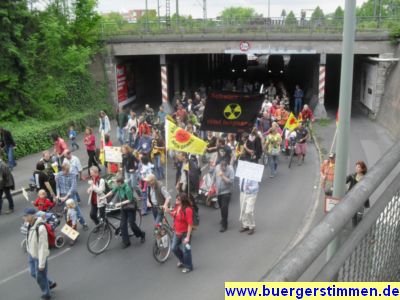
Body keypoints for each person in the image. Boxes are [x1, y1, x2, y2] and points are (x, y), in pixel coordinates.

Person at [23, 207, 57, 300]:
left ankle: (46, 293)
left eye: (26, 216)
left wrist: (41, 263)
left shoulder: (41, 228)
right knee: (33, 273)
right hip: (31, 253)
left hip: (39, 256)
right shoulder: (28, 224)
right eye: (24, 216)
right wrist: (28, 249)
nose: (24, 218)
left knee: (39, 276)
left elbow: (43, 246)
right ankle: (50, 283)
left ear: (33, 215)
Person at [103, 176, 145, 248]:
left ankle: (142, 234)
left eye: (115, 183)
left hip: (130, 208)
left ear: (119, 183)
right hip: (124, 208)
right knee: (123, 225)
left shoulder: (127, 189)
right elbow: (112, 192)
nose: (114, 184)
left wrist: (120, 204)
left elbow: (130, 200)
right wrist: (104, 197)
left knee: (132, 224)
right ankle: (126, 242)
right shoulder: (118, 187)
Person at [165, 193, 193, 273]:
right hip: (177, 232)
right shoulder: (177, 207)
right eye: (176, 198)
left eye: (178, 199)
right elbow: (174, 215)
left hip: (184, 233)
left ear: (182, 201)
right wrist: (168, 209)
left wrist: (187, 237)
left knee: (186, 250)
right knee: (174, 248)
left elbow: (190, 224)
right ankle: (182, 260)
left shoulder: (188, 210)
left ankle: (189, 266)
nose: (176, 200)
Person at [55, 163, 88, 230]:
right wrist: (58, 195)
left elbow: (73, 188)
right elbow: (57, 187)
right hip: (62, 196)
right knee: (66, 213)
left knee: (77, 211)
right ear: (62, 169)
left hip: (71, 196)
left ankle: (84, 223)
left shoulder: (72, 175)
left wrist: (66, 197)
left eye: (68, 171)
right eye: (66, 171)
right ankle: (70, 227)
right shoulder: (58, 175)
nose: (67, 172)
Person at [346, 161, 370, 227]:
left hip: (361, 200)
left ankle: (358, 228)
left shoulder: (366, 178)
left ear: (362, 169)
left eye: (358, 167)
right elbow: (344, 181)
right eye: (356, 166)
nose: (356, 168)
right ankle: (354, 228)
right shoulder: (352, 176)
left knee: (359, 216)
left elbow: (367, 190)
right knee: (353, 215)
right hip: (352, 199)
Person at [214, 160, 234, 232]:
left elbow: (231, 182)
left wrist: (223, 176)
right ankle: (223, 218)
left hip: (226, 192)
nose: (222, 169)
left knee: (224, 207)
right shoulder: (217, 168)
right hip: (218, 191)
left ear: (226, 166)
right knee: (221, 207)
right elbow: (214, 176)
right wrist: (212, 185)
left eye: (224, 168)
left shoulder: (230, 169)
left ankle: (224, 225)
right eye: (221, 167)